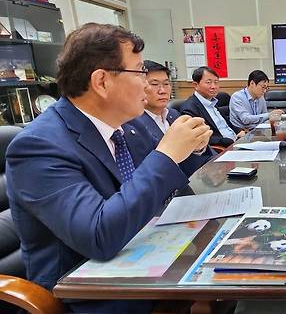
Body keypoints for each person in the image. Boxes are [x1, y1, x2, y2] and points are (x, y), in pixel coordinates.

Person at [5, 23, 214, 314]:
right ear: (102, 81)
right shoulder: (38, 146)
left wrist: (193, 145)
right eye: (140, 71)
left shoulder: (128, 124)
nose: (148, 84)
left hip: (145, 255)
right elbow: (98, 236)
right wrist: (166, 154)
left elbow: (169, 178)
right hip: (92, 294)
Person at [180, 66, 245, 148]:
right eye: (208, 82)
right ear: (196, 85)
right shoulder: (189, 109)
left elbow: (227, 124)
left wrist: (239, 131)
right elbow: (199, 138)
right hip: (221, 149)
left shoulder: (212, 102)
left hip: (236, 143)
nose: (213, 86)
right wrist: (228, 141)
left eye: (216, 82)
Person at [136, 60, 180, 139]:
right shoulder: (133, 123)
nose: (162, 91)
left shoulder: (174, 114)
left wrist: (198, 147)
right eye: (154, 84)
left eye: (166, 84)